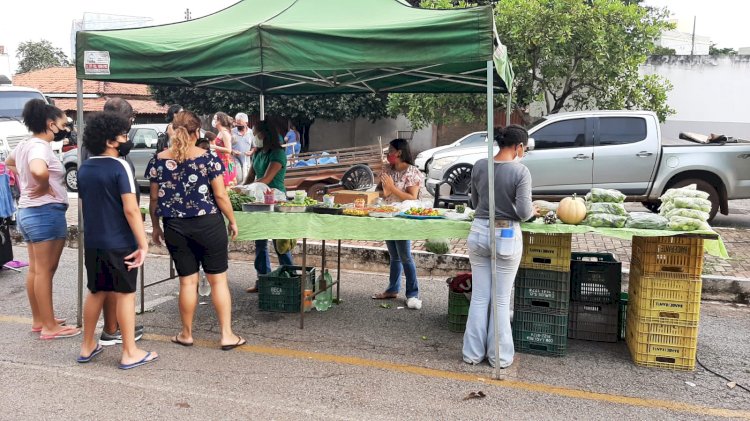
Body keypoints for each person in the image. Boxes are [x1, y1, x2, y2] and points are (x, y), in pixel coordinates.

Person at [146, 110, 246, 350]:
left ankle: (186, 333)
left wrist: (156, 226)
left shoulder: (158, 160)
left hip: (175, 226)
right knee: (218, 281)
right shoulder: (208, 158)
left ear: (172, 130)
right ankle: (226, 335)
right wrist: (232, 220)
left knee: (187, 283)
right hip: (208, 223)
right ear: (197, 132)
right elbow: (220, 195)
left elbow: (153, 200)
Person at [77, 112, 157, 369]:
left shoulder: (84, 167)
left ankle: (87, 345)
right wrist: (143, 243)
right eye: (123, 135)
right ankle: (129, 352)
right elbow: (131, 209)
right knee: (125, 294)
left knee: (96, 291)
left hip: (94, 242)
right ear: (111, 141)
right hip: (120, 242)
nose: (126, 139)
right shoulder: (120, 165)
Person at [462, 125, 536, 369]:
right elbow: (525, 213)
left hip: (479, 231)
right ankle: (499, 357)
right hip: (506, 234)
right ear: (519, 147)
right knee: (501, 300)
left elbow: (474, 202)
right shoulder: (521, 171)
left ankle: (472, 355)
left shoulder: (480, 165)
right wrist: (531, 211)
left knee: (480, 297)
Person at [5, 99, 80, 339]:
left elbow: (9, 163)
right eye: (63, 124)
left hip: (28, 211)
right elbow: (38, 170)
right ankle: (49, 326)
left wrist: (28, 184)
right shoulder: (40, 147)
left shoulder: (26, 144)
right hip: (44, 212)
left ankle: (41, 319)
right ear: (50, 124)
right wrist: (44, 184)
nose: (66, 128)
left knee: (37, 270)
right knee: (45, 271)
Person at [98, 97, 145, 346]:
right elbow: (130, 208)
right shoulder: (114, 156)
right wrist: (143, 241)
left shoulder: (93, 149)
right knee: (123, 287)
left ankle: (107, 331)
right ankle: (121, 339)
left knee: (102, 286)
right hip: (117, 229)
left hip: (100, 228)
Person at [371, 138, 424, 310]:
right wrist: (383, 190)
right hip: (388, 215)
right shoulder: (388, 169)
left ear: (399, 153)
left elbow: (412, 197)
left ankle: (412, 294)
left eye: (390, 152)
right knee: (394, 256)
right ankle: (392, 289)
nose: (388, 155)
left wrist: (392, 188)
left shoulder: (412, 172)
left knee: (405, 256)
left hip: (403, 218)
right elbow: (381, 191)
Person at [244, 120, 293, 294]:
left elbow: (266, 179)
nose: (254, 137)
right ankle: (262, 279)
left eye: (255, 133)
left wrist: (245, 189)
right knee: (260, 241)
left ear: (265, 134)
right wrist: (239, 188)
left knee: (280, 243)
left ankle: (289, 278)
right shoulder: (256, 154)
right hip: (259, 201)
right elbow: (250, 177)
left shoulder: (278, 153)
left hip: (276, 200)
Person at [211, 112, 238, 187]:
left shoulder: (224, 133)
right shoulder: (220, 132)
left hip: (226, 163)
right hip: (221, 162)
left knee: (227, 188)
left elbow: (229, 150)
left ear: (220, 120)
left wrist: (214, 147)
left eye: (215, 119)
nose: (213, 121)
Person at [231, 112, 254, 180]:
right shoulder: (232, 132)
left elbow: (254, 146)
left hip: (246, 161)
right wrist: (232, 151)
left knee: (246, 179)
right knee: (239, 178)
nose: (238, 125)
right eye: (237, 123)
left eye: (240, 124)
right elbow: (226, 146)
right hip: (234, 159)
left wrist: (252, 151)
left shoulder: (251, 132)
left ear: (246, 123)